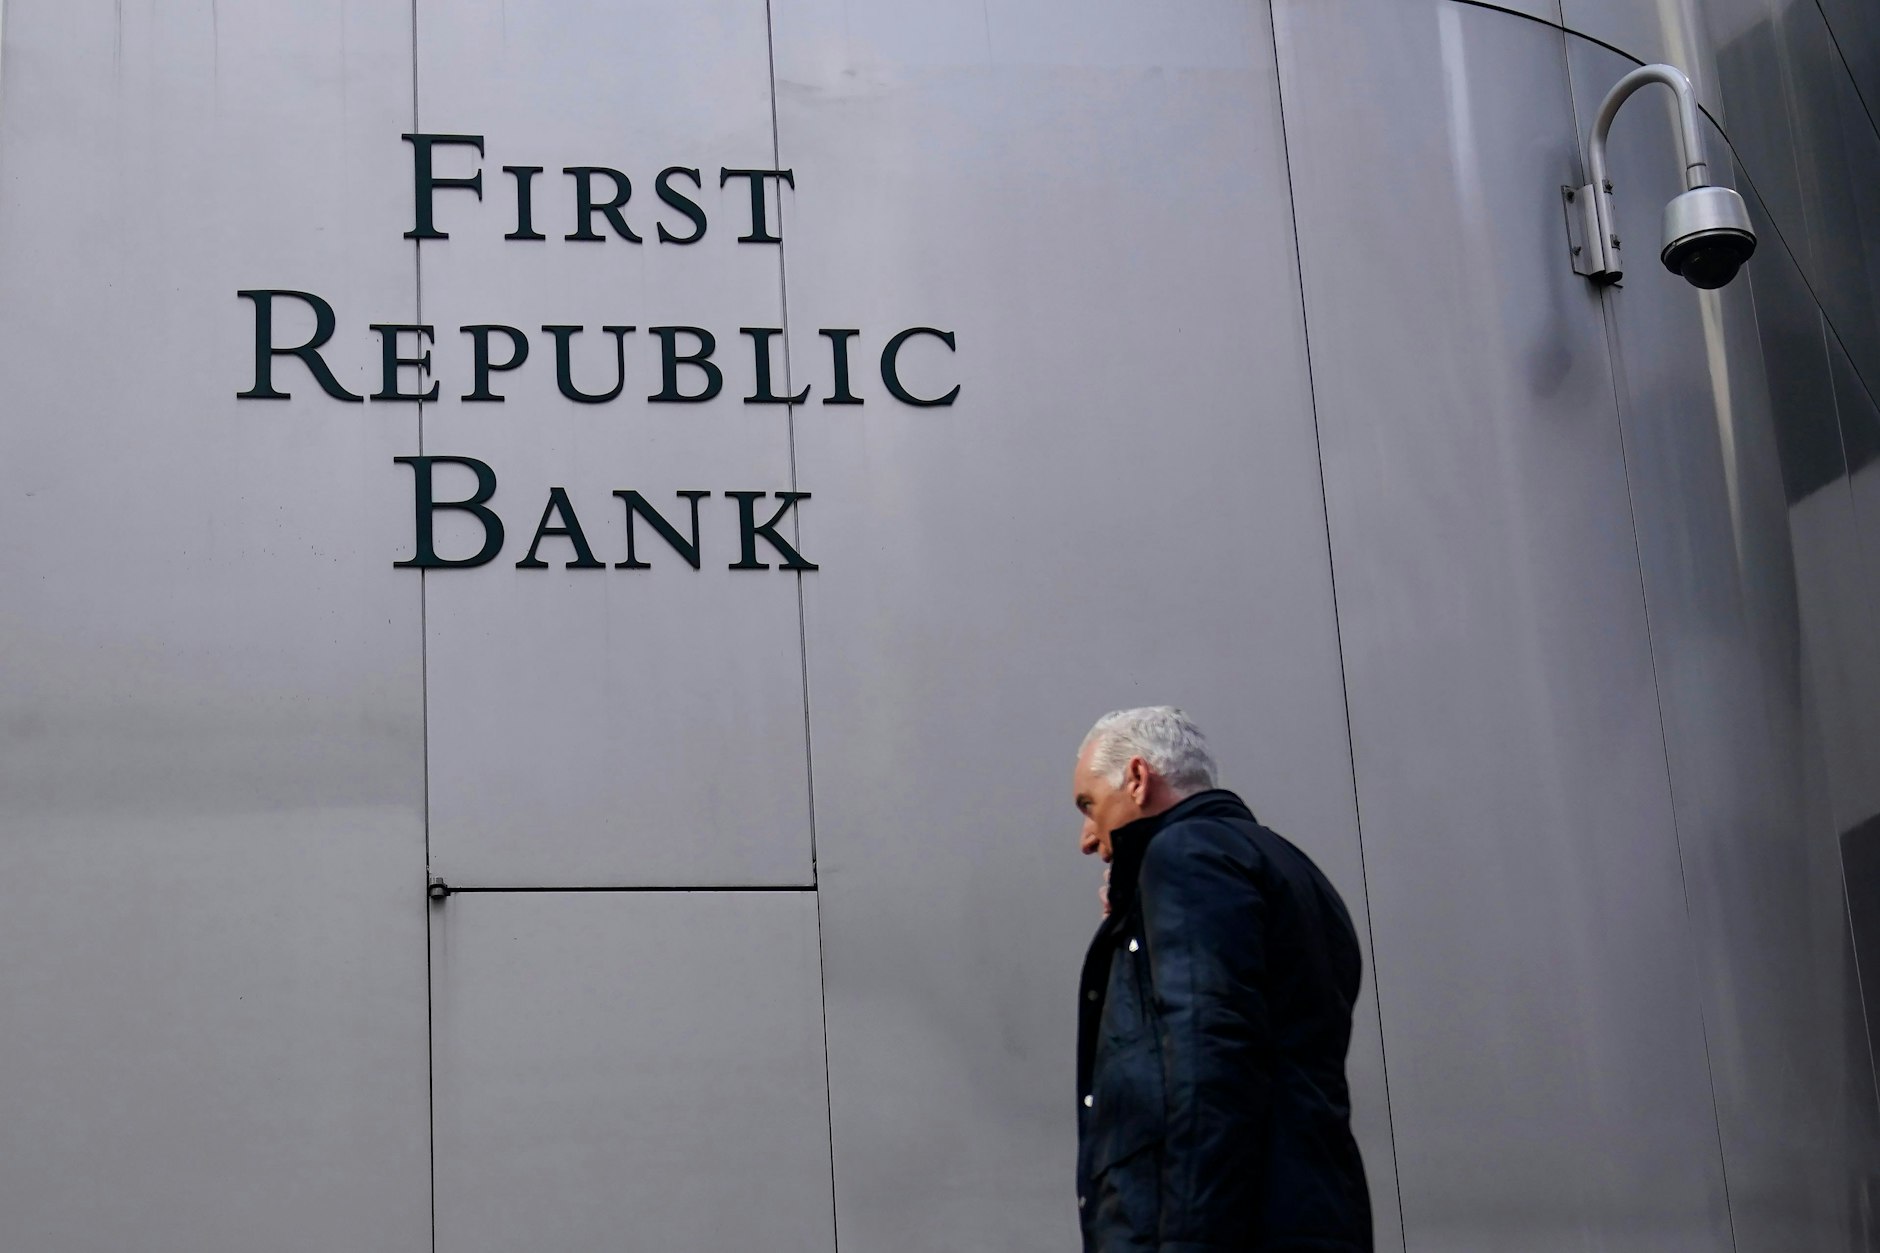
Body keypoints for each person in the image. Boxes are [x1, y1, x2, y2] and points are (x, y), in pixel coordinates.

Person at [1072, 706, 1371, 1252]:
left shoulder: (1186, 856)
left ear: (1137, 779)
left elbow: (1210, 1063)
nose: (1088, 838)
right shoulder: (1290, 869)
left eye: (1090, 805)